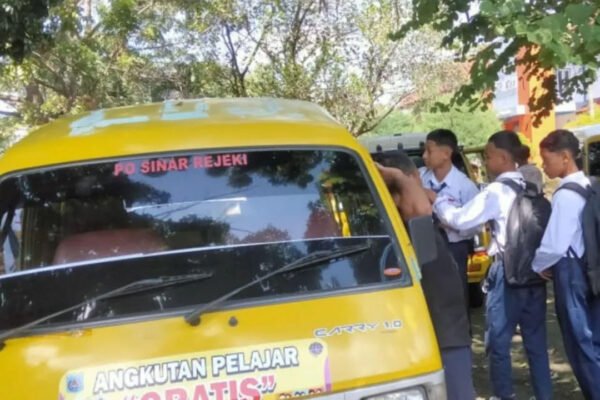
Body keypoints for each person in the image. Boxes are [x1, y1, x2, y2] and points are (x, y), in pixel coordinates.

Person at [426, 130, 553, 400]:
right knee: (536, 344)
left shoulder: (497, 191)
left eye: (488, 156)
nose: (485, 161)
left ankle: (504, 395)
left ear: (503, 158)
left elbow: (461, 220)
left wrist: (438, 200)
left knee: (498, 343)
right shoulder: (531, 186)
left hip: (506, 273)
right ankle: (545, 395)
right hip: (534, 275)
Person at [376, 152, 474, 400]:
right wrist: (400, 178)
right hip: (441, 334)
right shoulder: (409, 223)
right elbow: (420, 210)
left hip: (446, 330)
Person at [532, 129, 600, 399]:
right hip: (593, 267)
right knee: (595, 339)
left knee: (578, 342)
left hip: (571, 272)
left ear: (565, 157)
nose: (543, 165)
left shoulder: (565, 194)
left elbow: (555, 244)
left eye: (546, 159)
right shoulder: (591, 185)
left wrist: (539, 264)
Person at [420, 129, 479, 307]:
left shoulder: (465, 186)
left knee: (455, 297)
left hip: (454, 248)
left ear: (446, 153)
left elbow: (474, 226)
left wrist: (450, 224)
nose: (424, 156)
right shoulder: (419, 178)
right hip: (425, 247)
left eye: (429, 151)